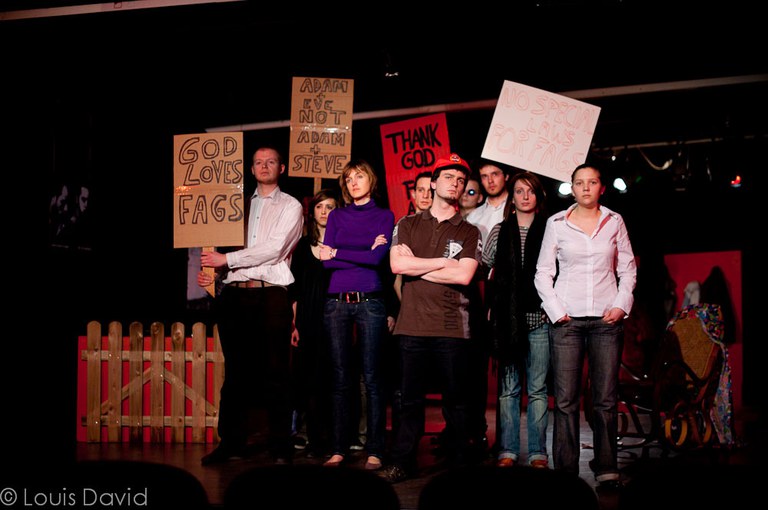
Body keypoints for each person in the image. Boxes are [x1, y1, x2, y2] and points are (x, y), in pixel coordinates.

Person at [198, 146, 304, 466]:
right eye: (258, 162)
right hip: (235, 296)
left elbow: (274, 249)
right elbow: (220, 249)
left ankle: (280, 445)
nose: (264, 166)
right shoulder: (235, 205)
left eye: (270, 161)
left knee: (276, 371)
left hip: (270, 294)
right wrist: (213, 270)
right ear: (251, 168)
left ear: (281, 168)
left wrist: (226, 259)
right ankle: (231, 443)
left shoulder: (291, 205)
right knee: (235, 373)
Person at [534, 163, 636, 490]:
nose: (586, 188)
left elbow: (628, 268)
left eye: (592, 182)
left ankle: (607, 469)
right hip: (568, 321)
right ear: (573, 188)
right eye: (579, 183)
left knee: (605, 399)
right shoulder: (556, 223)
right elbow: (543, 272)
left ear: (601, 187)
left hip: (606, 320)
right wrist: (555, 310)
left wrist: (621, 304)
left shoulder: (615, 221)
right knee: (566, 400)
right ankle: (566, 473)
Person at [380, 153, 481, 483]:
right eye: (448, 177)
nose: (455, 183)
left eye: (461, 180)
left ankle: (459, 463)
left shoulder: (469, 231)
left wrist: (419, 266)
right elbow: (397, 266)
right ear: (434, 183)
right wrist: (443, 263)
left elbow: (464, 276)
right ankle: (403, 462)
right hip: (412, 325)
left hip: (453, 327)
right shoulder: (407, 224)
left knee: (457, 402)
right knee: (409, 401)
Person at [319, 159, 395, 471]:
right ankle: (338, 449)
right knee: (340, 377)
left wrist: (338, 252)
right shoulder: (337, 215)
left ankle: (375, 449)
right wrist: (362, 252)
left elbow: (377, 260)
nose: (353, 182)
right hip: (336, 303)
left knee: (373, 377)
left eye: (359, 176)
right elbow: (325, 262)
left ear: (371, 180)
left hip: (370, 301)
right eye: (348, 178)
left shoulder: (384, 215)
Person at [483, 171, 550, 468]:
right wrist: (493, 305)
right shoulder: (500, 230)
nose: (525, 196)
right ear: (512, 197)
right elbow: (485, 266)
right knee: (508, 390)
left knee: (537, 390)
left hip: (540, 318)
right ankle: (507, 451)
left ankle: (537, 453)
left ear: (538, 196)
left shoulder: (550, 229)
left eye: (530, 191)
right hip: (507, 320)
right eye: (519, 191)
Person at [289, 189, 339, 458]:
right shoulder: (301, 247)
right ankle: (311, 436)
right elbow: (295, 289)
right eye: (320, 206)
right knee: (308, 379)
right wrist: (294, 324)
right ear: (313, 211)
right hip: (308, 319)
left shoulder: (342, 244)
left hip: (335, 317)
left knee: (332, 379)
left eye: (330, 207)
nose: (324, 212)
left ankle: (332, 438)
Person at [465, 160, 510, 244]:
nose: (490, 181)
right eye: (484, 176)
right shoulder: (473, 217)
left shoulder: (518, 209)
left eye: (495, 174)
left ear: (506, 176)